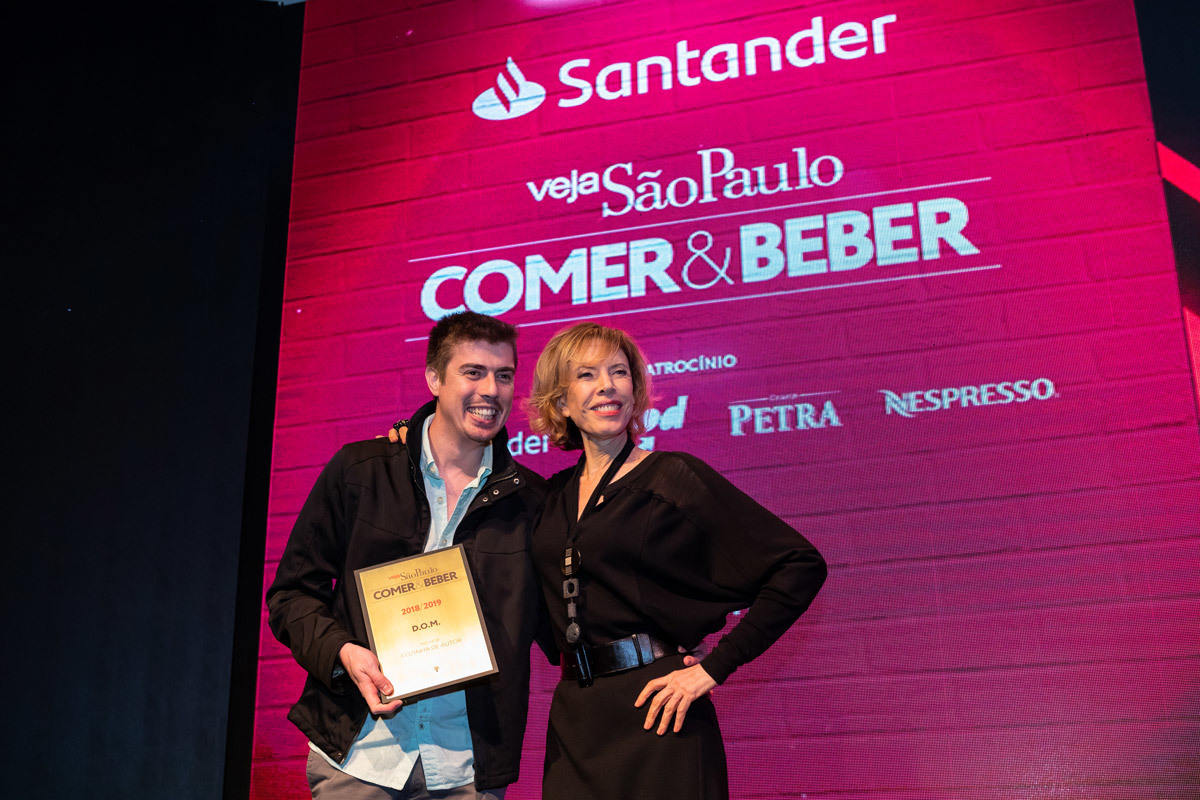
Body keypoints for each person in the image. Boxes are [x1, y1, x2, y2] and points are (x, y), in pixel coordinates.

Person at [525, 322, 828, 800]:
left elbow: (799, 565)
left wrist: (714, 667)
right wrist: (412, 436)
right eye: (587, 374)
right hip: (576, 721)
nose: (607, 385)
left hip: (659, 710)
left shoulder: (672, 477)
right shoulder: (551, 499)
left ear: (635, 390)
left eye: (619, 372)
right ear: (560, 403)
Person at [266, 311, 554, 800]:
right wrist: (342, 652)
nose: (492, 390)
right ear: (434, 378)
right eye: (473, 372)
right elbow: (291, 595)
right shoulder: (361, 471)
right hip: (359, 758)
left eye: (504, 375)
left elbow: (562, 624)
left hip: (467, 770)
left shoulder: (532, 504)